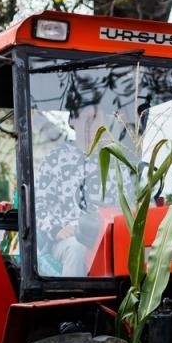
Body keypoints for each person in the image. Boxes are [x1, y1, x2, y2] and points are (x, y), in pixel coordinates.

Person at [32, 103, 135, 277]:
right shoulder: (55, 160)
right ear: (72, 120)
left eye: (95, 118)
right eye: (85, 118)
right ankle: (75, 303)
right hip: (69, 240)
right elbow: (38, 207)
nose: (90, 125)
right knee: (78, 249)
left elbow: (130, 207)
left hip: (108, 238)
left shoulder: (117, 164)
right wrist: (56, 229)